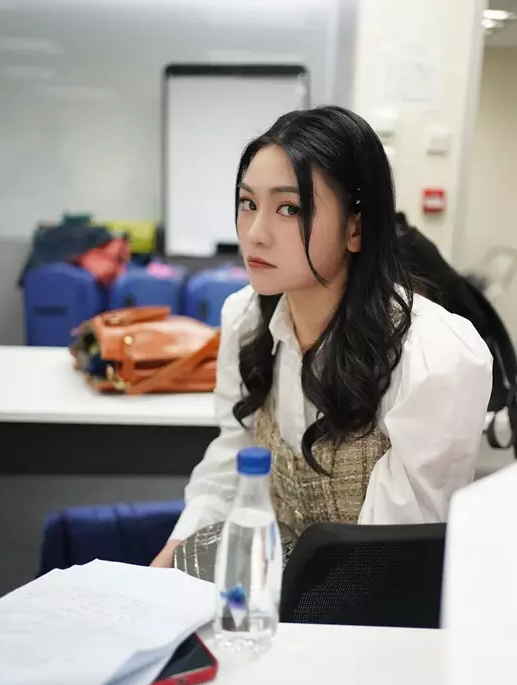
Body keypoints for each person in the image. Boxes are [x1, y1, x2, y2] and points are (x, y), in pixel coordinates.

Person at [151, 106, 492, 568]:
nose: (255, 234)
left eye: (289, 209)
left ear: (356, 227)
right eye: (248, 203)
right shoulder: (245, 319)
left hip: (370, 603)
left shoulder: (433, 355)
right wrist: (175, 553)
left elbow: (390, 560)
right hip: (271, 588)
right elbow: (233, 459)